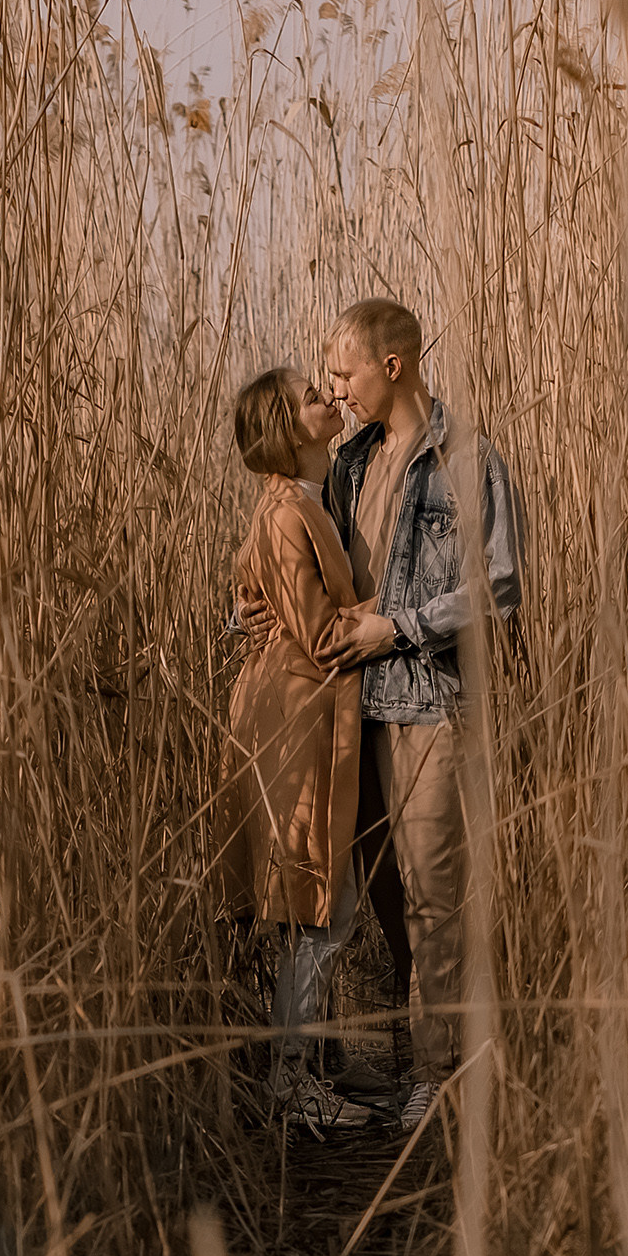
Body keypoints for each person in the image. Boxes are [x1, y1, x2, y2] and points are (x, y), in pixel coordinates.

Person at [322, 298, 524, 1130]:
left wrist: (398, 628)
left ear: (393, 365)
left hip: (432, 706)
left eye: (346, 373)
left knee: (434, 894)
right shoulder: (349, 463)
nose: (335, 389)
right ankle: (417, 1056)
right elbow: (314, 567)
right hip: (352, 708)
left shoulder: (467, 460)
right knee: (381, 891)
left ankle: (440, 1076)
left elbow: (498, 588)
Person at [221, 365, 378, 1134]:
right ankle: (291, 1084)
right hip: (295, 714)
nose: (329, 397)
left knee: (317, 898)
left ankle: (303, 1067)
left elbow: (262, 595)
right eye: (313, 397)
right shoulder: (288, 512)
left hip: (298, 705)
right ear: (289, 429)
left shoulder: (307, 498)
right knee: (317, 899)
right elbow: (320, 632)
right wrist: (412, 605)